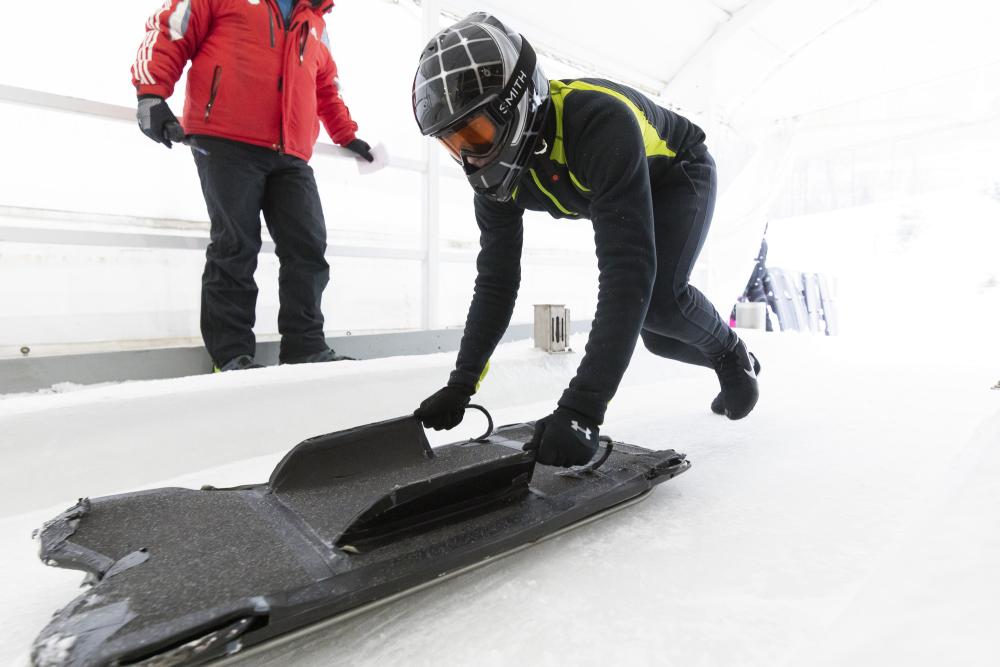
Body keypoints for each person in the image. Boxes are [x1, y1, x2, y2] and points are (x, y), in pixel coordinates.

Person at [410, 13, 761, 467]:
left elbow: (626, 274)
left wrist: (582, 408)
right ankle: (726, 355)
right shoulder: (494, 178)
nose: (470, 158)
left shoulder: (597, 123)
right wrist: (462, 383)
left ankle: (733, 354)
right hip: (626, 178)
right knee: (656, 336)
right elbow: (496, 281)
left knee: (659, 305)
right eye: (453, 143)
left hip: (678, 173)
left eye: (475, 133)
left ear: (516, 103)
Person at [132, 0, 374, 371]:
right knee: (235, 246)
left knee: (308, 246)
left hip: (290, 152)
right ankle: (231, 356)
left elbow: (325, 83)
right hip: (225, 138)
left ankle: (305, 347)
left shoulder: (315, 19)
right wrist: (151, 94)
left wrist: (346, 134)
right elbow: (171, 29)